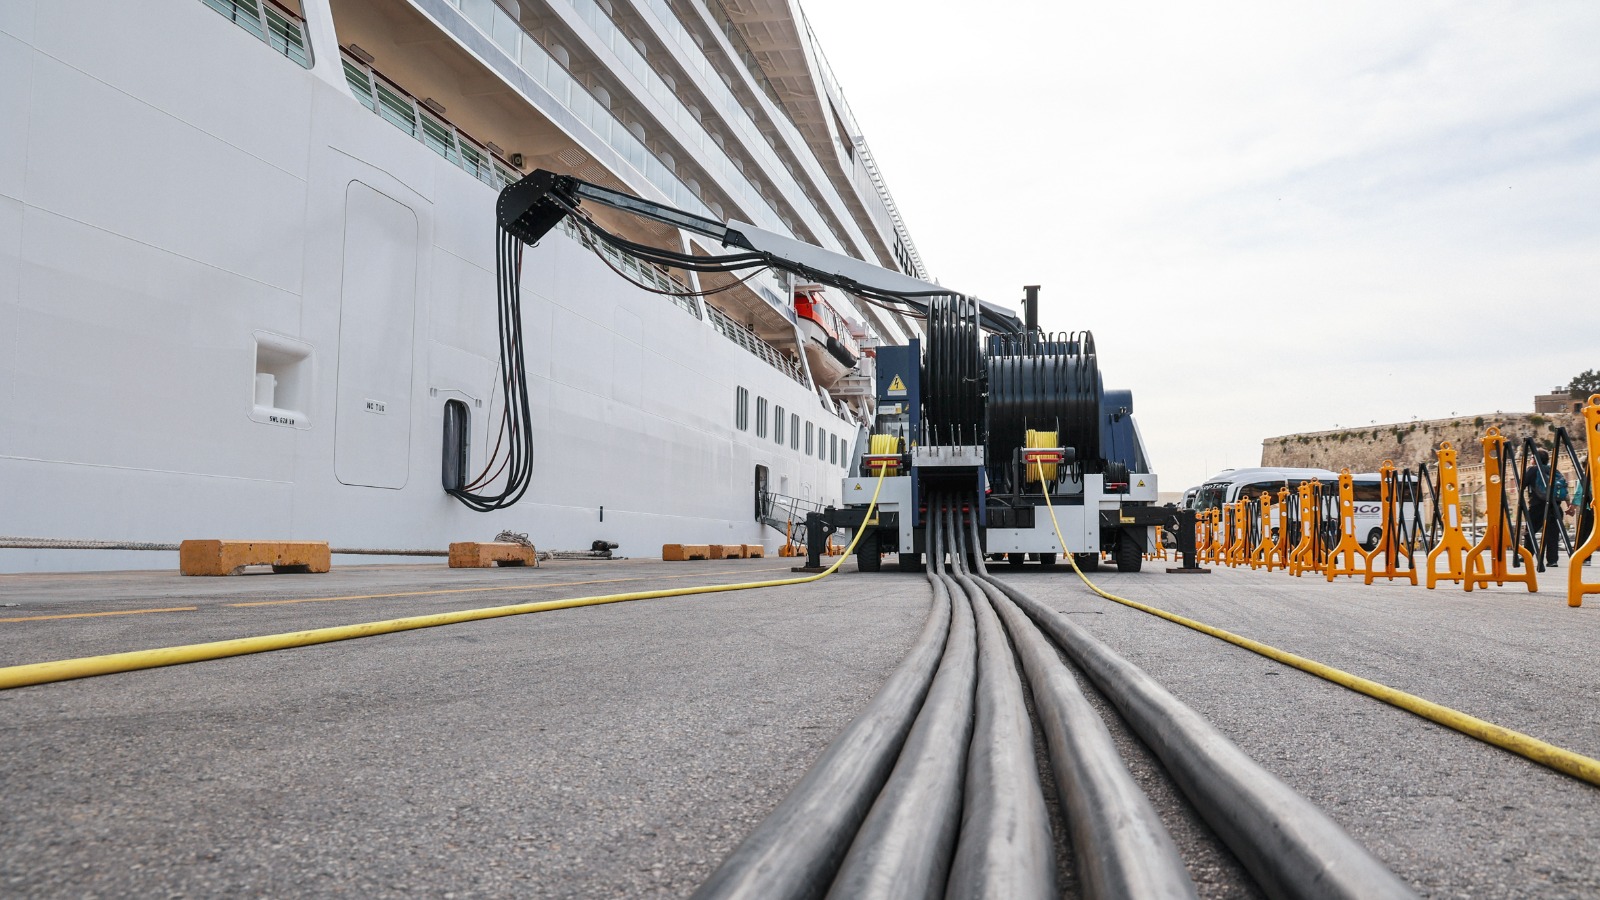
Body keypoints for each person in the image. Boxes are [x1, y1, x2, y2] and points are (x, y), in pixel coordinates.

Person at [1524, 448, 1565, 566]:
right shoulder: (1554, 470)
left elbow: (1522, 484)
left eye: (1531, 458)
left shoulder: (1532, 470)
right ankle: (1552, 560)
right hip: (1555, 506)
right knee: (1552, 533)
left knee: (1530, 531)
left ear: (1535, 459)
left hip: (1538, 505)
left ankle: (1527, 555)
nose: (1530, 460)